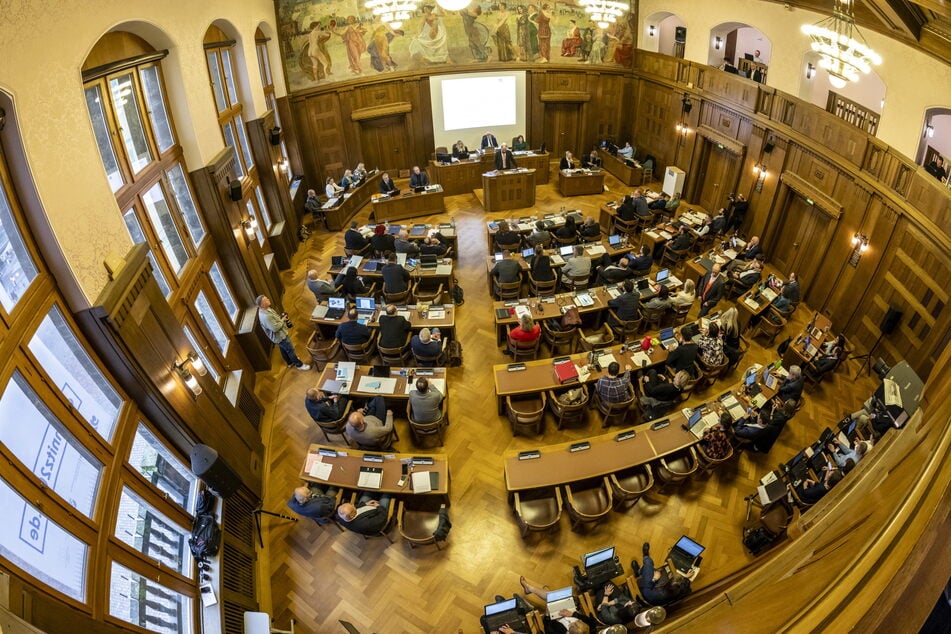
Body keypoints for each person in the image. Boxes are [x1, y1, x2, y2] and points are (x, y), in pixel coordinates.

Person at [516, 576, 598, 633]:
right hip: (569, 611)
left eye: (572, 625)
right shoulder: (589, 628)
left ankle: (530, 588)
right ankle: (531, 589)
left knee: (551, 597)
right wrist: (573, 614)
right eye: (578, 621)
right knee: (555, 596)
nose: (572, 622)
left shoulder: (559, 632)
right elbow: (591, 621)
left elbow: (547, 627)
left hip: (554, 619)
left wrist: (547, 615)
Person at [256, 295, 310, 371]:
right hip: (280, 336)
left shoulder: (266, 309)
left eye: (267, 298)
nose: (268, 299)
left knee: (283, 349)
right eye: (266, 300)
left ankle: (290, 362)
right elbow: (275, 328)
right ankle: (299, 365)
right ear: (262, 305)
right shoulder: (266, 316)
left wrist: (280, 319)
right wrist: (283, 320)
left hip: (279, 336)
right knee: (290, 350)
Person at [634, 542, 691, 606]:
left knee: (648, 564)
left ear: (672, 584)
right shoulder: (681, 592)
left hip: (649, 592)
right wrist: (686, 577)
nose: (671, 576)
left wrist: (654, 579)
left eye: (672, 578)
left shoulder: (659, 595)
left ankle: (644, 560)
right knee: (653, 570)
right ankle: (639, 571)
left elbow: (645, 591)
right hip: (661, 590)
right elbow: (680, 584)